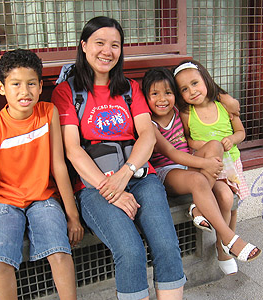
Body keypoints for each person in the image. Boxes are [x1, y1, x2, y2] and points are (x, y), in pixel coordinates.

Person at [52, 16, 186, 300]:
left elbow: (147, 136)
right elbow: (73, 150)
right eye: (99, 43)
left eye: (115, 45)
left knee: (165, 244)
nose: (107, 51)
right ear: (84, 46)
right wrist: (110, 189)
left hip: (139, 178)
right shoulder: (68, 92)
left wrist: (126, 173)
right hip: (93, 187)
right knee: (130, 250)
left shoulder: (130, 88)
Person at [0, 49, 84, 300]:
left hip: (44, 198)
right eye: (15, 84)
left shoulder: (47, 113)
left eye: (31, 84)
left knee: (60, 251)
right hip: (4, 202)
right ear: (1, 87)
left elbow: (59, 165)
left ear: (41, 86)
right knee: (0, 260)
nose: (24, 91)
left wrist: (72, 216)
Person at [142, 67, 258, 274]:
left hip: (189, 165)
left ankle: (197, 206)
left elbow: (203, 91)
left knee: (215, 145)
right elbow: (172, 154)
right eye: (155, 94)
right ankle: (228, 238)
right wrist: (205, 164)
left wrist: (228, 99)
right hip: (167, 171)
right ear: (146, 97)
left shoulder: (178, 110)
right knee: (197, 180)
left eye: (168, 93)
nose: (162, 99)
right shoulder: (149, 124)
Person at [173, 59, 261, 267]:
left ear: (206, 79)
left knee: (231, 201)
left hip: (230, 165)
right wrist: (201, 143)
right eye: (184, 89)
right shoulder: (188, 113)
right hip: (207, 168)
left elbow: (241, 132)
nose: (192, 91)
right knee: (223, 195)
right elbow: (187, 139)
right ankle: (224, 247)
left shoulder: (224, 107)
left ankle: (224, 245)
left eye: (195, 83)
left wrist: (232, 140)